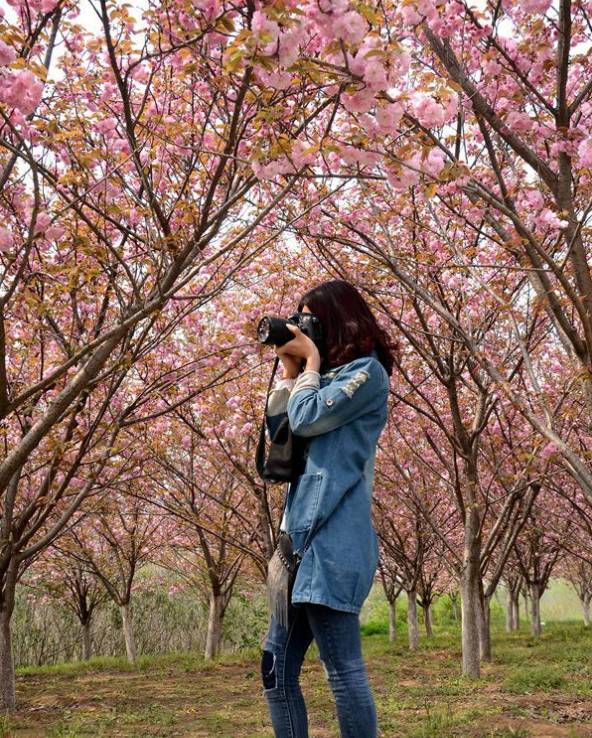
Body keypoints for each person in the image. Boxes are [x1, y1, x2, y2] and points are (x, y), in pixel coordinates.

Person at [260, 279, 396, 738]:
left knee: (341, 668)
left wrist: (312, 362)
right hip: (297, 539)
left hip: (334, 537)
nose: (300, 329)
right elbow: (282, 431)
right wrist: (290, 367)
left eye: (308, 320)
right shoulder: (318, 380)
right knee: (274, 667)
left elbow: (307, 417)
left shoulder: (367, 373)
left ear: (337, 319)